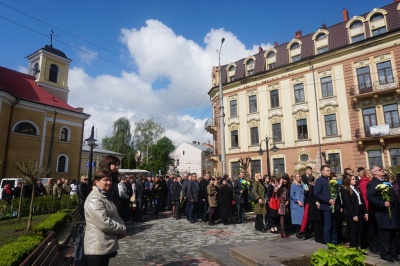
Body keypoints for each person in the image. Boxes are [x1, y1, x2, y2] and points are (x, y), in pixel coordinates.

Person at [84, 169, 126, 266]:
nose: (109, 182)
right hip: (97, 248)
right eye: (105, 180)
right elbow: (104, 223)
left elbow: (115, 215)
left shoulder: (103, 195)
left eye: (110, 180)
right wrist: (122, 229)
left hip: (103, 245)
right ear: (96, 181)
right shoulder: (95, 198)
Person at [367, 165, 399, 263]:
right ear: (374, 173)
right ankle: (385, 254)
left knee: (393, 234)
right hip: (383, 213)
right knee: (385, 234)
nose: (382, 170)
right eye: (380, 169)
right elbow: (370, 197)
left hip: (392, 212)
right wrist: (382, 203)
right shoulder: (372, 183)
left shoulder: (383, 182)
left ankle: (394, 253)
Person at [341, 173, 367, 249]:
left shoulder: (356, 188)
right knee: (353, 229)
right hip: (352, 212)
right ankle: (353, 246)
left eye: (355, 179)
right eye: (352, 179)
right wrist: (353, 215)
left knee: (359, 228)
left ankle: (359, 246)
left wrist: (365, 212)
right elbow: (348, 203)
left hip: (360, 210)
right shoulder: (346, 189)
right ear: (348, 180)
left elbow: (361, 200)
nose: (355, 180)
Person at [314, 165, 337, 244]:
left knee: (334, 226)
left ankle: (334, 242)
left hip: (334, 206)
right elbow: (317, 194)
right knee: (328, 226)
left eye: (329, 170)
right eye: (327, 170)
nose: (329, 172)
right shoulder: (319, 180)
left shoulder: (330, 180)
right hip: (326, 207)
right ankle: (328, 243)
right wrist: (328, 200)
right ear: (322, 171)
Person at [291, 173, 305, 238]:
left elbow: (306, 192)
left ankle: (301, 231)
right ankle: (297, 232)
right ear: (295, 178)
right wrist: (297, 201)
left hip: (302, 203)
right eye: (297, 176)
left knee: (302, 219)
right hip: (296, 204)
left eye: (300, 176)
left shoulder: (303, 185)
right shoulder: (294, 185)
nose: (299, 177)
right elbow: (291, 195)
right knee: (297, 219)